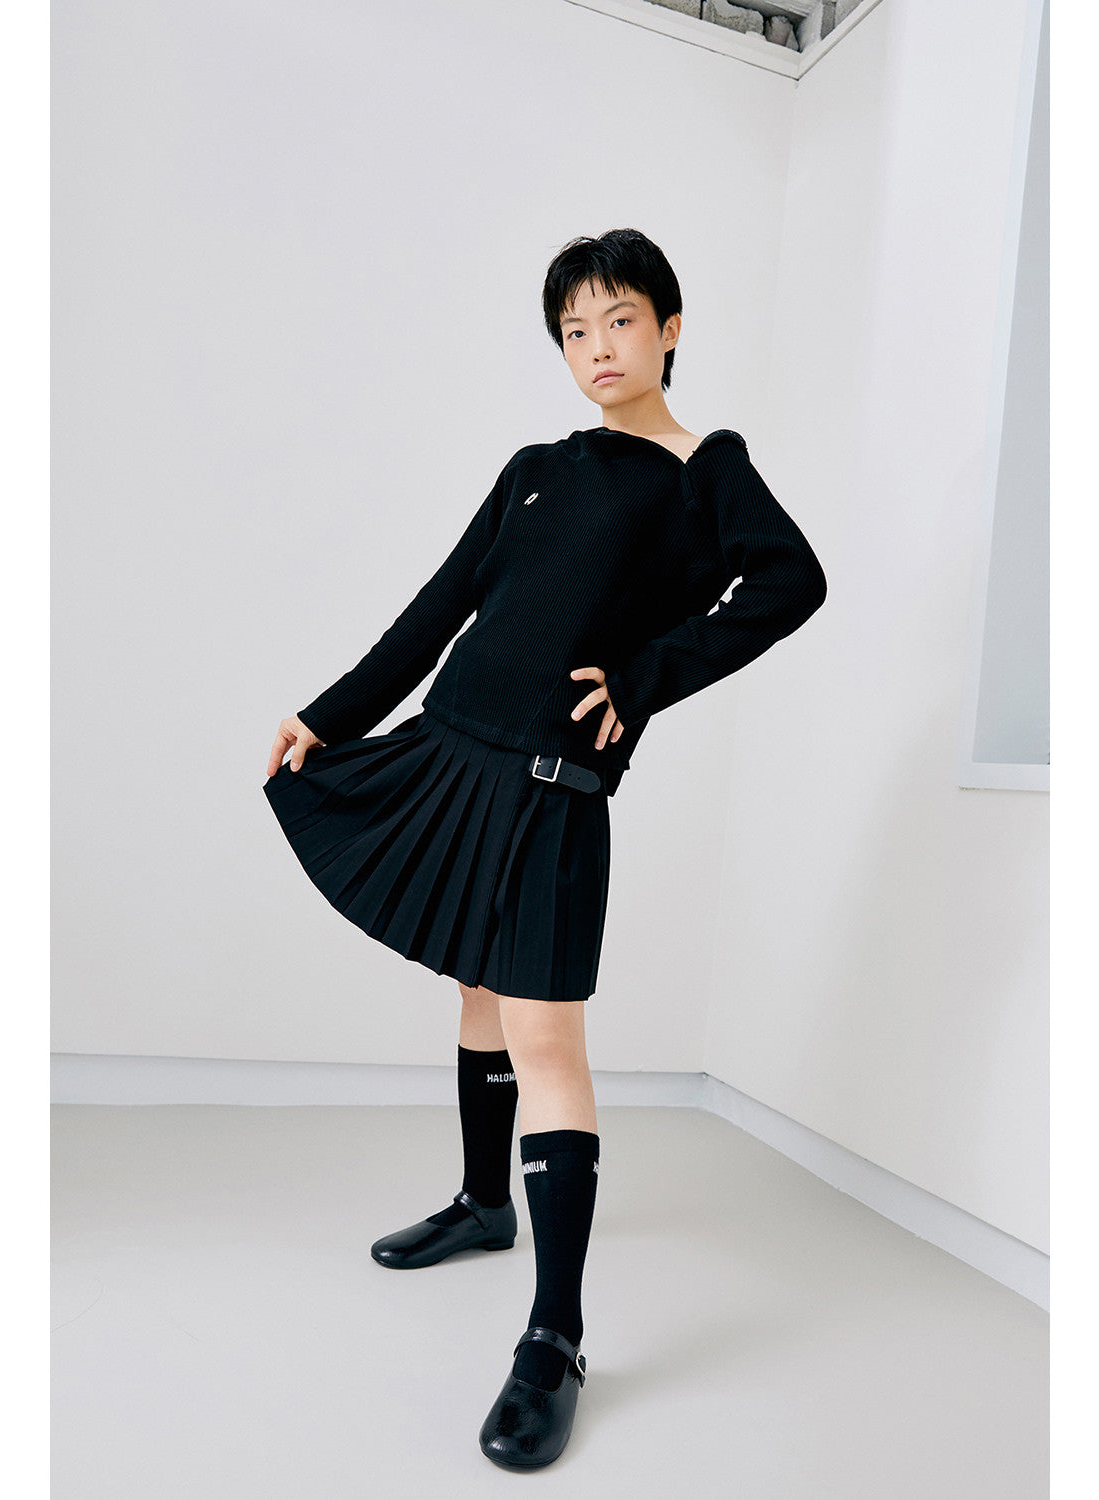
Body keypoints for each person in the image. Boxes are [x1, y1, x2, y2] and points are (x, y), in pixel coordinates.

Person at [262, 228, 828, 1469]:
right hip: (447, 755)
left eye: (619, 321)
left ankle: (554, 1338)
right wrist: (330, 715)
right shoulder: (535, 468)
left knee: (547, 1035)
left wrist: (646, 676)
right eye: (575, 331)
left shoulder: (706, 471)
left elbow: (792, 581)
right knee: (477, 989)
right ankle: (483, 1204)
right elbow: (439, 607)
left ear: (668, 328)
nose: (598, 348)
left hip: (550, 788)